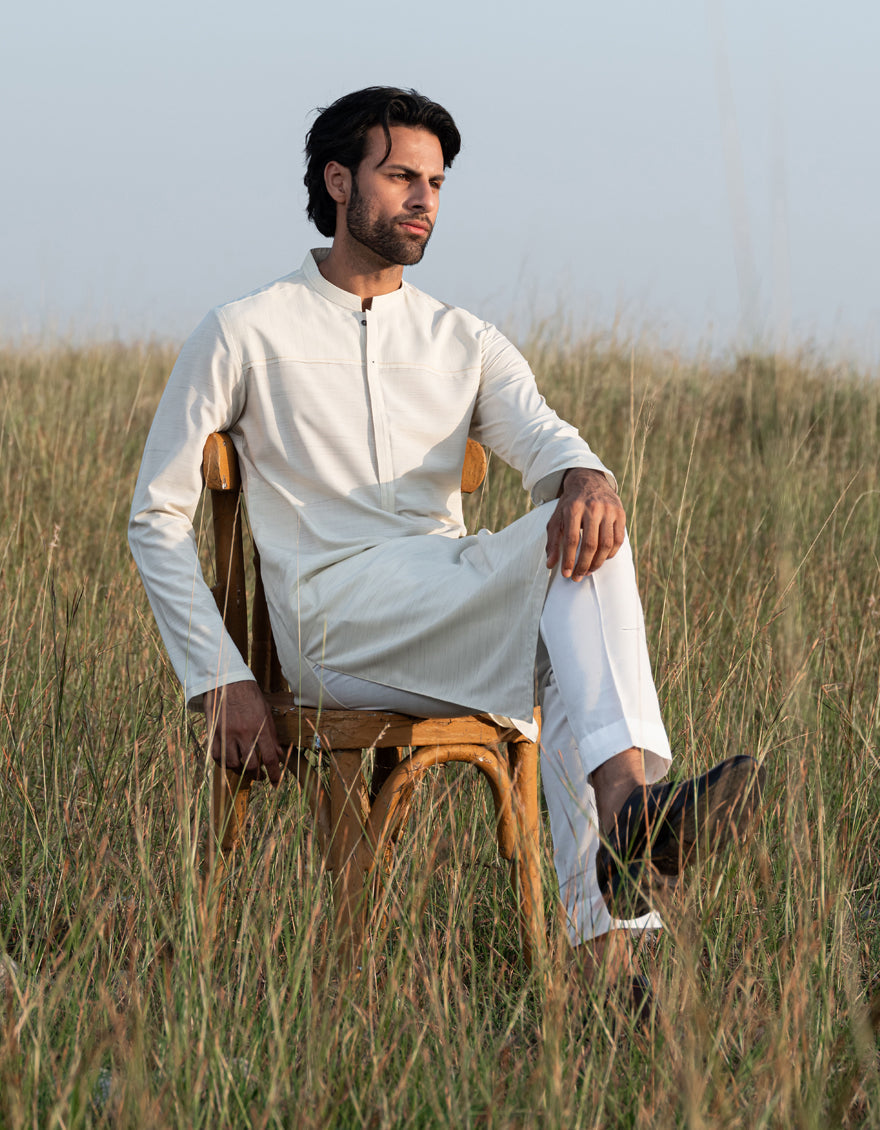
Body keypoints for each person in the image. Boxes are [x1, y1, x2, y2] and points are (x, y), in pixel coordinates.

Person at [129, 86, 762, 999]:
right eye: (400, 177)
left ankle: (618, 931)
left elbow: (546, 439)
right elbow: (154, 516)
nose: (424, 199)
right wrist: (217, 676)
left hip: (446, 596)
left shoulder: (464, 339)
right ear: (337, 181)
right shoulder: (246, 330)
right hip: (333, 622)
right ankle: (625, 863)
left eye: (435, 182)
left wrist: (587, 475)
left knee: (588, 537)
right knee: (572, 623)